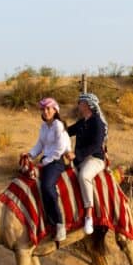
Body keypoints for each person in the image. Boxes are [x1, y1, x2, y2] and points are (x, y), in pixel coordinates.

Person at [23, 97, 71, 242]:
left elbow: (60, 149)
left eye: (48, 109)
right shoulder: (44, 127)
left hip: (56, 161)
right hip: (46, 160)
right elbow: (40, 145)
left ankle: (59, 223)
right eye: (43, 109)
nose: (45, 112)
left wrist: (45, 163)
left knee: (46, 186)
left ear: (55, 110)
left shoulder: (58, 125)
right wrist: (30, 155)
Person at [65, 92, 107, 235]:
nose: (78, 105)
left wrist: (77, 154)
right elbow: (68, 132)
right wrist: (56, 125)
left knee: (84, 176)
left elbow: (96, 145)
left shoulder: (97, 123)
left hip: (94, 159)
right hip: (80, 159)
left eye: (80, 102)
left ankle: (89, 214)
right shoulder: (83, 121)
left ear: (88, 105)